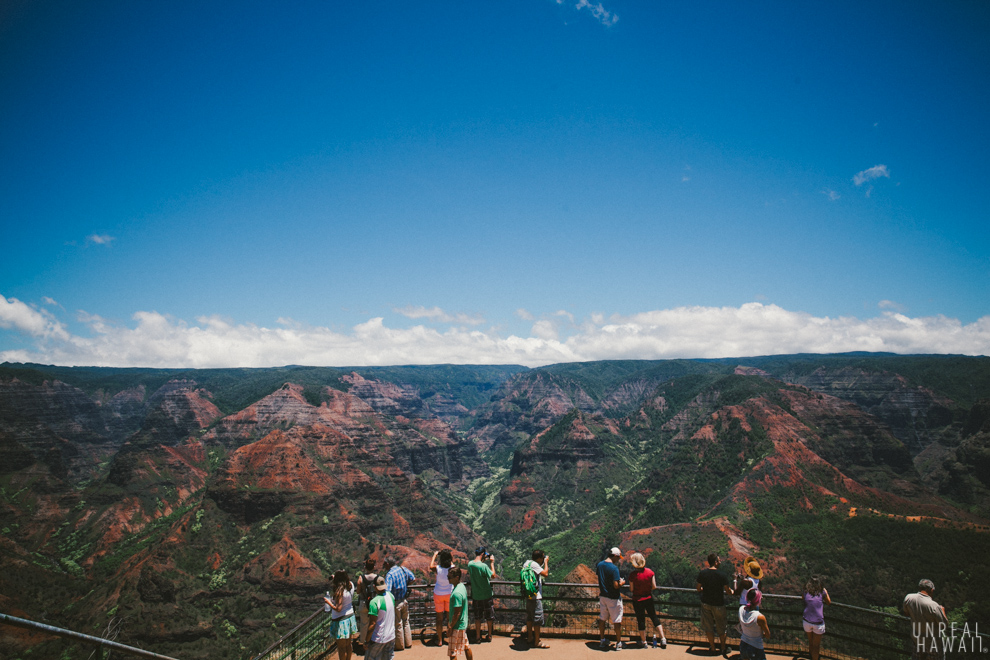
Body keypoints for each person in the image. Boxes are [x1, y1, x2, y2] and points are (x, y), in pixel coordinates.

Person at [696, 553, 733, 656]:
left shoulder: (703, 573)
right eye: (719, 560)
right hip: (719, 604)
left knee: (708, 626)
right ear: (716, 562)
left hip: (706, 603)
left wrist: (704, 589)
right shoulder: (722, 575)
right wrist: (733, 591)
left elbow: (698, 588)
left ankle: (712, 648)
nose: (720, 562)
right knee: (721, 626)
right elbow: (728, 590)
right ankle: (723, 648)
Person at [627, 552, 667, 649]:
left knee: (641, 620)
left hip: (637, 599)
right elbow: (654, 586)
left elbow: (631, 589)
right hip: (648, 598)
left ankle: (644, 642)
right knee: (654, 617)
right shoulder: (650, 572)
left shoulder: (632, 575)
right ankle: (663, 639)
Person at [902, 579, 948, 660]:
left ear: (919, 588)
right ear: (932, 590)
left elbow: (906, 613)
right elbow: (944, 626)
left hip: (917, 642)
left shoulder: (909, 598)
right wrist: (943, 611)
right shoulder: (934, 606)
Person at [384, 555, 416, 651]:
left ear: (388, 564)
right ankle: (408, 643)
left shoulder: (389, 575)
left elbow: (388, 591)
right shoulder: (402, 569)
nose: (384, 566)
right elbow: (413, 578)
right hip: (404, 600)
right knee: (406, 622)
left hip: (396, 603)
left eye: (385, 564)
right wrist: (406, 585)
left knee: (398, 624)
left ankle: (400, 645)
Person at [597, 547, 625, 650]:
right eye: (618, 558)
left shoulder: (599, 565)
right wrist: (621, 583)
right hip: (613, 597)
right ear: (615, 556)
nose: (618, 560)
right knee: (617, 620)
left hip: (603, 596)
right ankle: (618, 643)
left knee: (602, 619)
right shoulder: (614, 569)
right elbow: (616, 585)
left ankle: (602, 640)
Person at [326, 570, 358, 660]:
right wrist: (335, 577)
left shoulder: (340, 592)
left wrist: (329, 603)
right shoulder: (350, 586)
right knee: (348, 645)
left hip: (341, 621)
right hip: (350, 617)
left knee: (341, 648)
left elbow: (338, 609)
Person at [521, 549, 550, 648]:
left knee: (529, 617)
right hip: (536, 597)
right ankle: (537, 641)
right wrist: (546, 562)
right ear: (539, 558)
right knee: (537, 620)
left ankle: (530, 637)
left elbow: (536, 570)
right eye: (542, 557)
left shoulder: (527, 563)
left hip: (528, 595)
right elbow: (545, 573)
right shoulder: (536, 565)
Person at [468, 547, 497, 642]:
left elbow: (477, 564)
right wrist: (492, 563)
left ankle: (477, 637)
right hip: (486, 594)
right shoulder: (483, 566)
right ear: (482, 554)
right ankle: (489, 635)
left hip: (476, 595)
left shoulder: (470, 564)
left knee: (477, 617)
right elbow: (493, 575)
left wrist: (483, 559)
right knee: (489, 617)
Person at [366, 576, 397, 660]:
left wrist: (367, 641)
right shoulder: (391, 596)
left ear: (374, 587)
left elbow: (372, 624)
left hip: (378, 638)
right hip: (391, 636)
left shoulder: (374, 602)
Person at [448, 566, 474, 660]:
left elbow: (457, 613)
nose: (448, 579)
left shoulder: (456, 594)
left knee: (452, 652)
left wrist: (451, 627)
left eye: (449, 577)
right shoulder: (461, 586)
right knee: (466, 646)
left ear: (457, 577)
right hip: (462, 624)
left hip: (457, 626)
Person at [802, 576, 831, 660]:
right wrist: (825, 591)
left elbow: (803, 598)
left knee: (811, 643)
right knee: (816, 646)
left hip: (806, 621)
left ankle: (811, 657)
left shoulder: (805, 591)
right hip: (818, 622)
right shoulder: (822, 592)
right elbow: (829, 602)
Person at [431, 549, 454, 646]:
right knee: (450, 618)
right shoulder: (452, 568)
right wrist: (448, 557)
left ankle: (440, 640)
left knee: (439, 619)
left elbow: (430, 566)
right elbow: (451, 563)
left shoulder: (438, 569)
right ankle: (450, 639)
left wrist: (435, 555)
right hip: (449, 594)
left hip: (438, 594)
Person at [738, 589, 770, 660]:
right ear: (758, 600)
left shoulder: (741, 609)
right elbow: (768, 635)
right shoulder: (760, 617)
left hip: (743, 645)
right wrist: (760, 634)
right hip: (756, 647)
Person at [356, 558, 379, 649]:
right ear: (374, 567)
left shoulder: (361, 578)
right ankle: (374, 642)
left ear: (365, 567)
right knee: (374, 623)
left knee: (364, 624)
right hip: (375, 603)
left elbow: (357, 591)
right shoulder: (378, 578)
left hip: (363, 603)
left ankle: (363, 643)